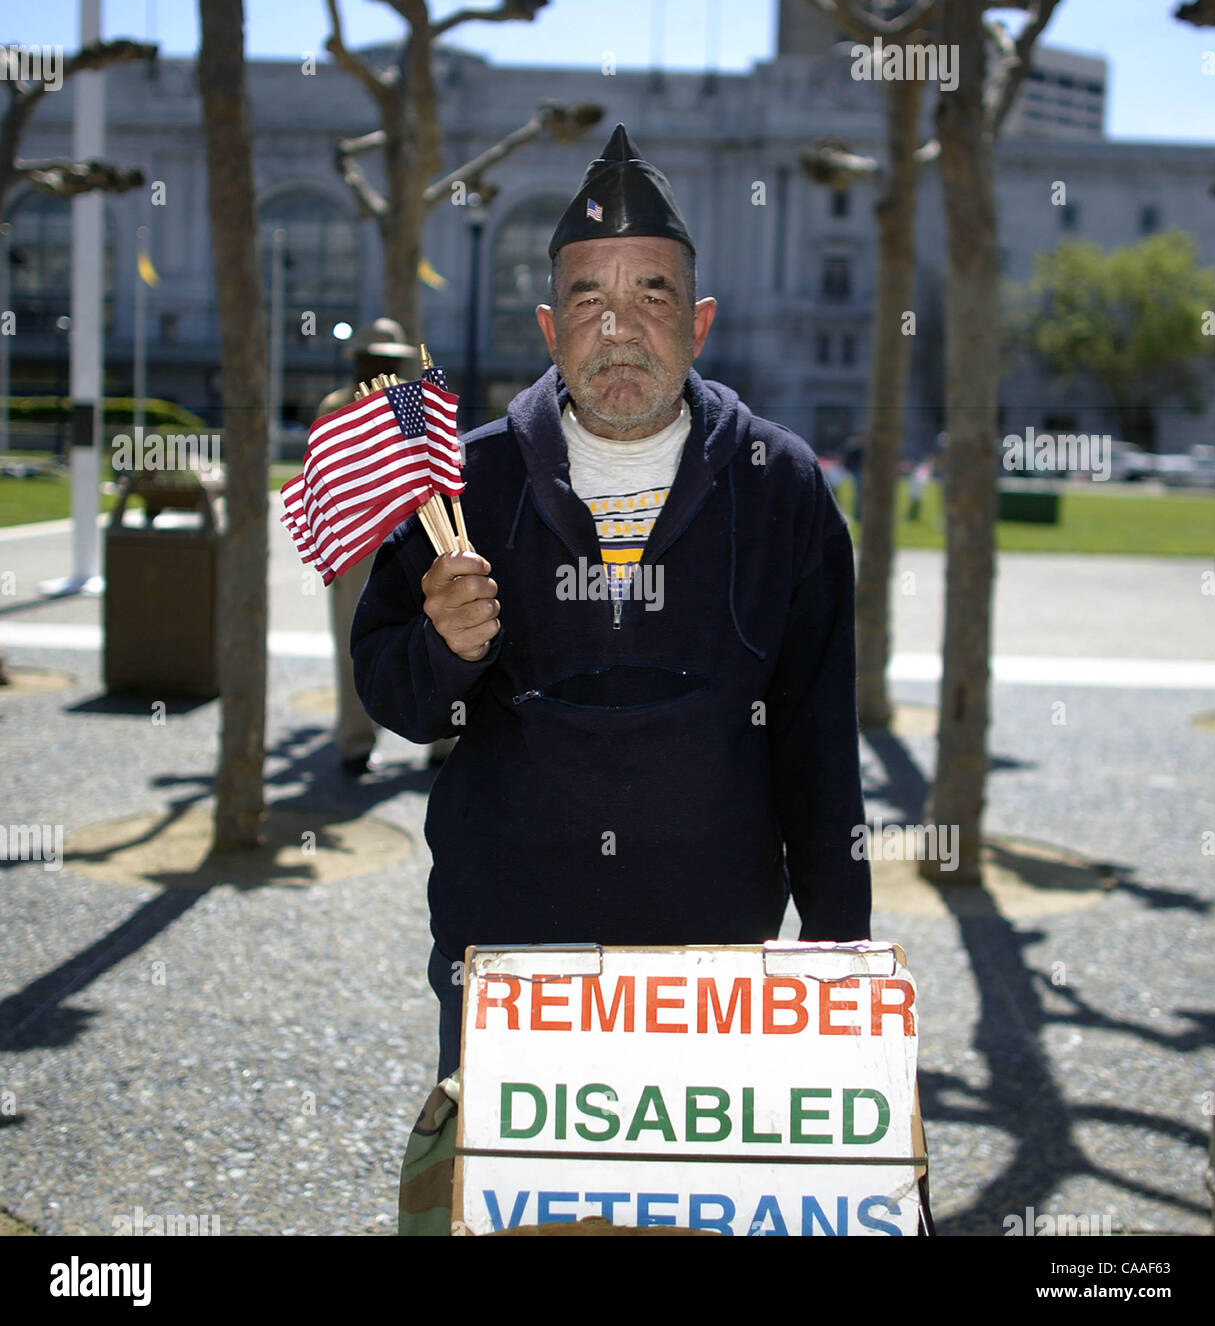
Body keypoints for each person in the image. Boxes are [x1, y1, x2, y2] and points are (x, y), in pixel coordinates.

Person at [351, 125, 870, 1081]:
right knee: (515, 1231)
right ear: (550, 328)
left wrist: (839, 962)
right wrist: (441, 648)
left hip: (714, 969)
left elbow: (816, 740)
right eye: (588, 297)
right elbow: (395, 699)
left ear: (699, 323)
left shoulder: (781, 486)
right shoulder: (462, 483)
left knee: (689, 1227)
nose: (619, 327)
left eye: (652, 294)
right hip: (506, 960)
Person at [316, 319, 417, 775]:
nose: (378, 366)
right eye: (371, 358)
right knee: (353, 644)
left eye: (387, 360)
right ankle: (356, 742)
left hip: (415, 539)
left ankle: (442, 741)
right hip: (356, 545)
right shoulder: (335, 409)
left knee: (435, 637)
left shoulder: (413, 406)